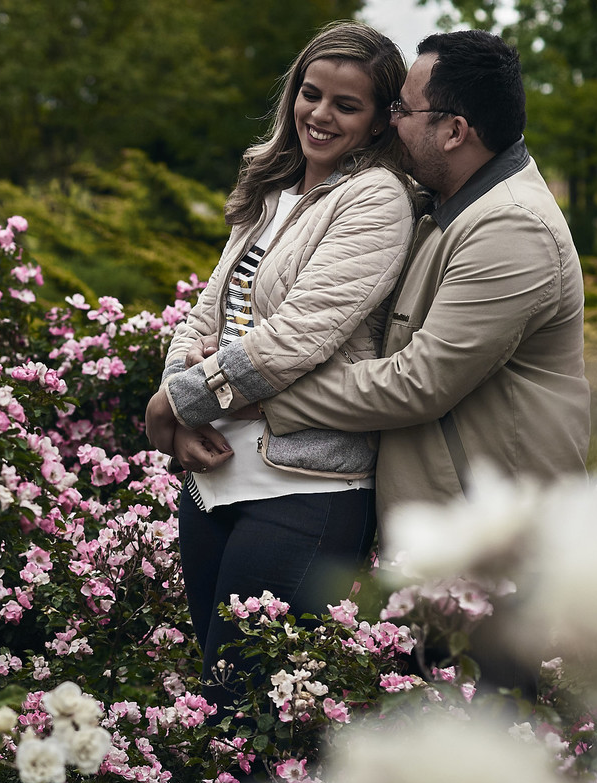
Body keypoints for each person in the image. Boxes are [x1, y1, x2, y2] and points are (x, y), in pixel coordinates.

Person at [167, 30, 592, 698]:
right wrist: (197, 382)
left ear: (454, 130)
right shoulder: (446, 206)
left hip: (493, 540)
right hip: (439, 529)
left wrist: (245, 396)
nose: (390, 119)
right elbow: (224, 309)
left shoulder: (511, 227)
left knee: (491, 732)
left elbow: (416, 383)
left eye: (401, 108)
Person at [143, 20, 415, 716]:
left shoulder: (377, 199)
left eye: (345, 105)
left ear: (382, 118)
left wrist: (177, 403)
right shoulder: (274, 187)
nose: (319, 115)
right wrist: (173, 399)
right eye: (310, 93)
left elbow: (298, 337)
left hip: (304, 487)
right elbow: (206, 311)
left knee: (250, 711)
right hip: (214, 479)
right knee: (217, 701)